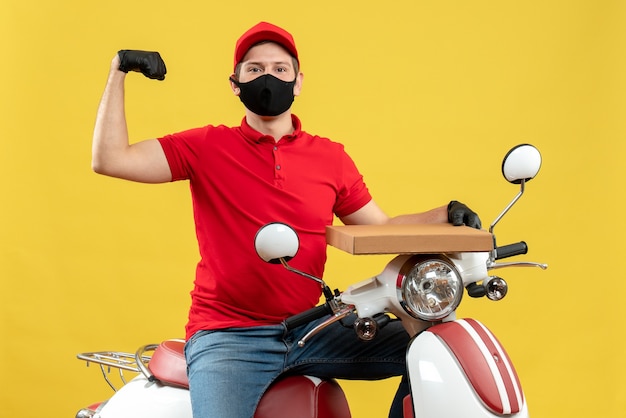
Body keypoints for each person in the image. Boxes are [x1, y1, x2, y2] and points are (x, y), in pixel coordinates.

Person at [92, 21, 481, 418]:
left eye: (280, 69)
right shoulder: (206, 146)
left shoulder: (330, 157)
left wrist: (444, 214)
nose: (268, 77)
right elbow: (110, 159)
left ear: (297, 82)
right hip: (228, 337)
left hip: (310, 330)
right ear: (235, 82)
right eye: (255, 68)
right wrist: (118, 71)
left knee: (438, 347)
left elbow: (378, 229)